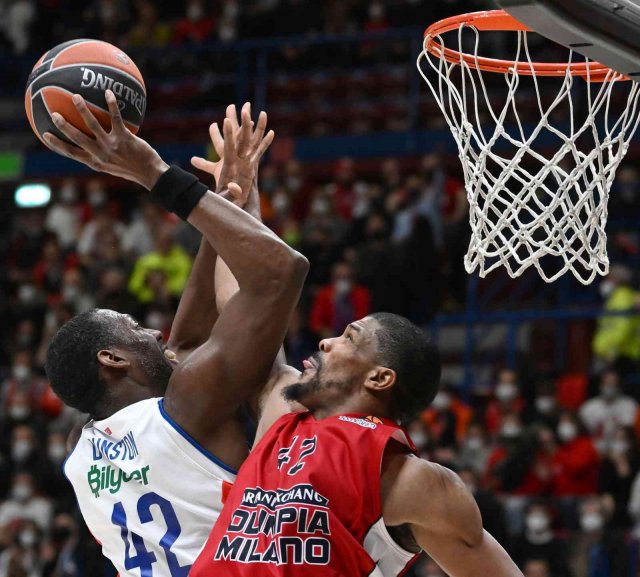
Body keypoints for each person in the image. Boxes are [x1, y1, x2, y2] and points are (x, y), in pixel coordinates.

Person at [42, 92, 308, 576]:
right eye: (134, 327)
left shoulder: (80, 451)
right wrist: (155, 174)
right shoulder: (186, 404)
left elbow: (183, 346)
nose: (153, 329)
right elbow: (280, 273)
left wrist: (230, 203)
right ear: (113, 360)